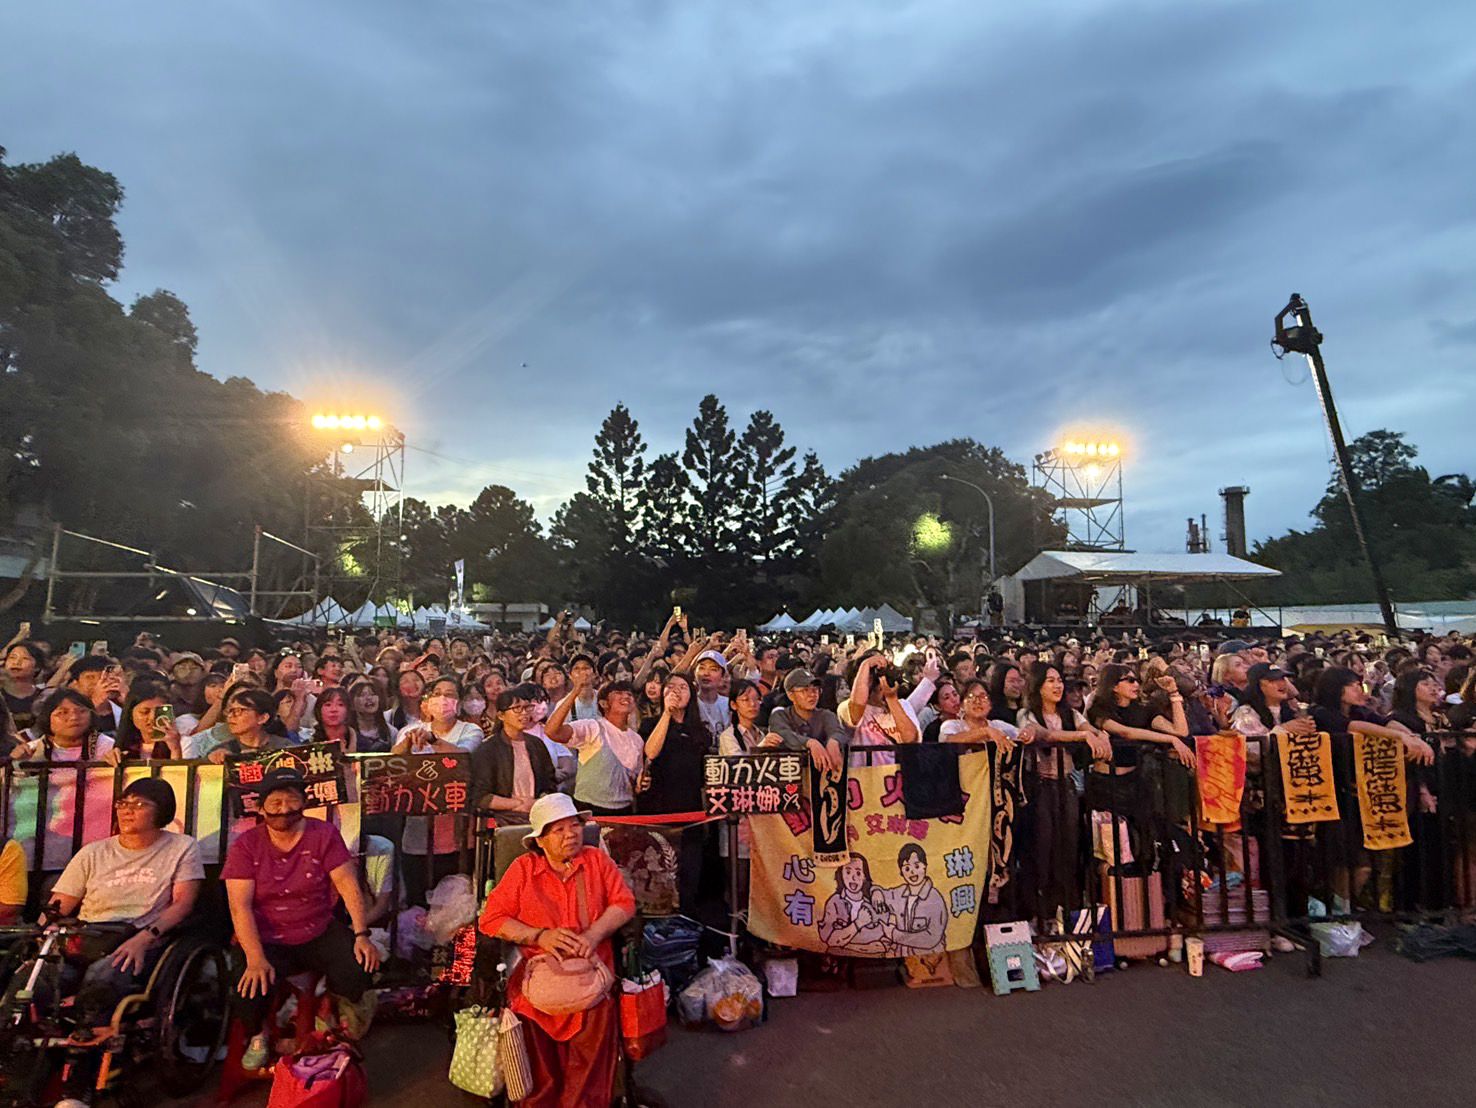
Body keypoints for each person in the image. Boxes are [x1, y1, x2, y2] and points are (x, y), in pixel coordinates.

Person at [477, 793, 636, 1108]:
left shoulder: (596, 860)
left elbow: (624, 903)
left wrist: (593, 935)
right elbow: (490, 920)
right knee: (537, 1062)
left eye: (574, 825)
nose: (571, 834)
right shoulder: (523, 869)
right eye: (559, 830)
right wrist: (539, 936)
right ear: (540, 840)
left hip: (592, 973)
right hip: (538, 976)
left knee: (592, 1045)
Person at [223, 767, 379, 1072]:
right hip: (266, 937)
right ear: (261, 807)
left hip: (317, 928)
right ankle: (259, 1035)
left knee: (359, 968)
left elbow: (348, 884)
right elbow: (239, 907)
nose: (283, 809)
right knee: (247, 986)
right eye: (275, 803)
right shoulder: (246, 845)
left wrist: (361, 934)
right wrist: (255, 958)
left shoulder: (323, 834)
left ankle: (334, 1016)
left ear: (303, 802)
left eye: (291, 801)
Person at [544, 677, 645, 817]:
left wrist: (642, 783)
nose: (626, 696)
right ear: (603, 703)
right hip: (589, 809)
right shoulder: (592, 727)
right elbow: (552, 731)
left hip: (624, 811)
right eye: (618, 693)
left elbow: (636, 783)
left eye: (629, 694)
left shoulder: (637, 740)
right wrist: (574, 692)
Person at [470, 684, 558, 825]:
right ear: (501, 715)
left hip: (538, 814)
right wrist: (518, 804)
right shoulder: (488, 749)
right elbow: (480, 796)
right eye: (517, 709)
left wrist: (538, 802)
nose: (524, 713)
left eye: (527, 707)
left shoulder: (536, 745)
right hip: (504, 818)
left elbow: (550, 783)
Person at [838, 652, 919, 766]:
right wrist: (865, 665)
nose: (880, 682)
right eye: (872, 678)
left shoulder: (903, 705)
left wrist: (891, 699)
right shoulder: (846, 708)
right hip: (865, 779)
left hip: (898, 778)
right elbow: (857, 705)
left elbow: (910, 739)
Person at [768, 669, 847, 771]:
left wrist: (834, 741)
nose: (812, 695)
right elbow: (783, 734)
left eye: (815, 690)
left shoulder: (826, 715)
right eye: (805, 690)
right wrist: (810, 743)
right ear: (790, 694)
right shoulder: (780, 715)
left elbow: (837, 731)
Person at [817, 854, 889, 955]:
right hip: (840, 962)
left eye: (858, 873)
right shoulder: (835, 902)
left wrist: (846, 945)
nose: (853, 877)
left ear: (865, 876)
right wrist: (858, 923)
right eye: (848, 872)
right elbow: (831, 940)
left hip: (875, 964)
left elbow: (885, 943)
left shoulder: (874, 901)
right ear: (841, 874)